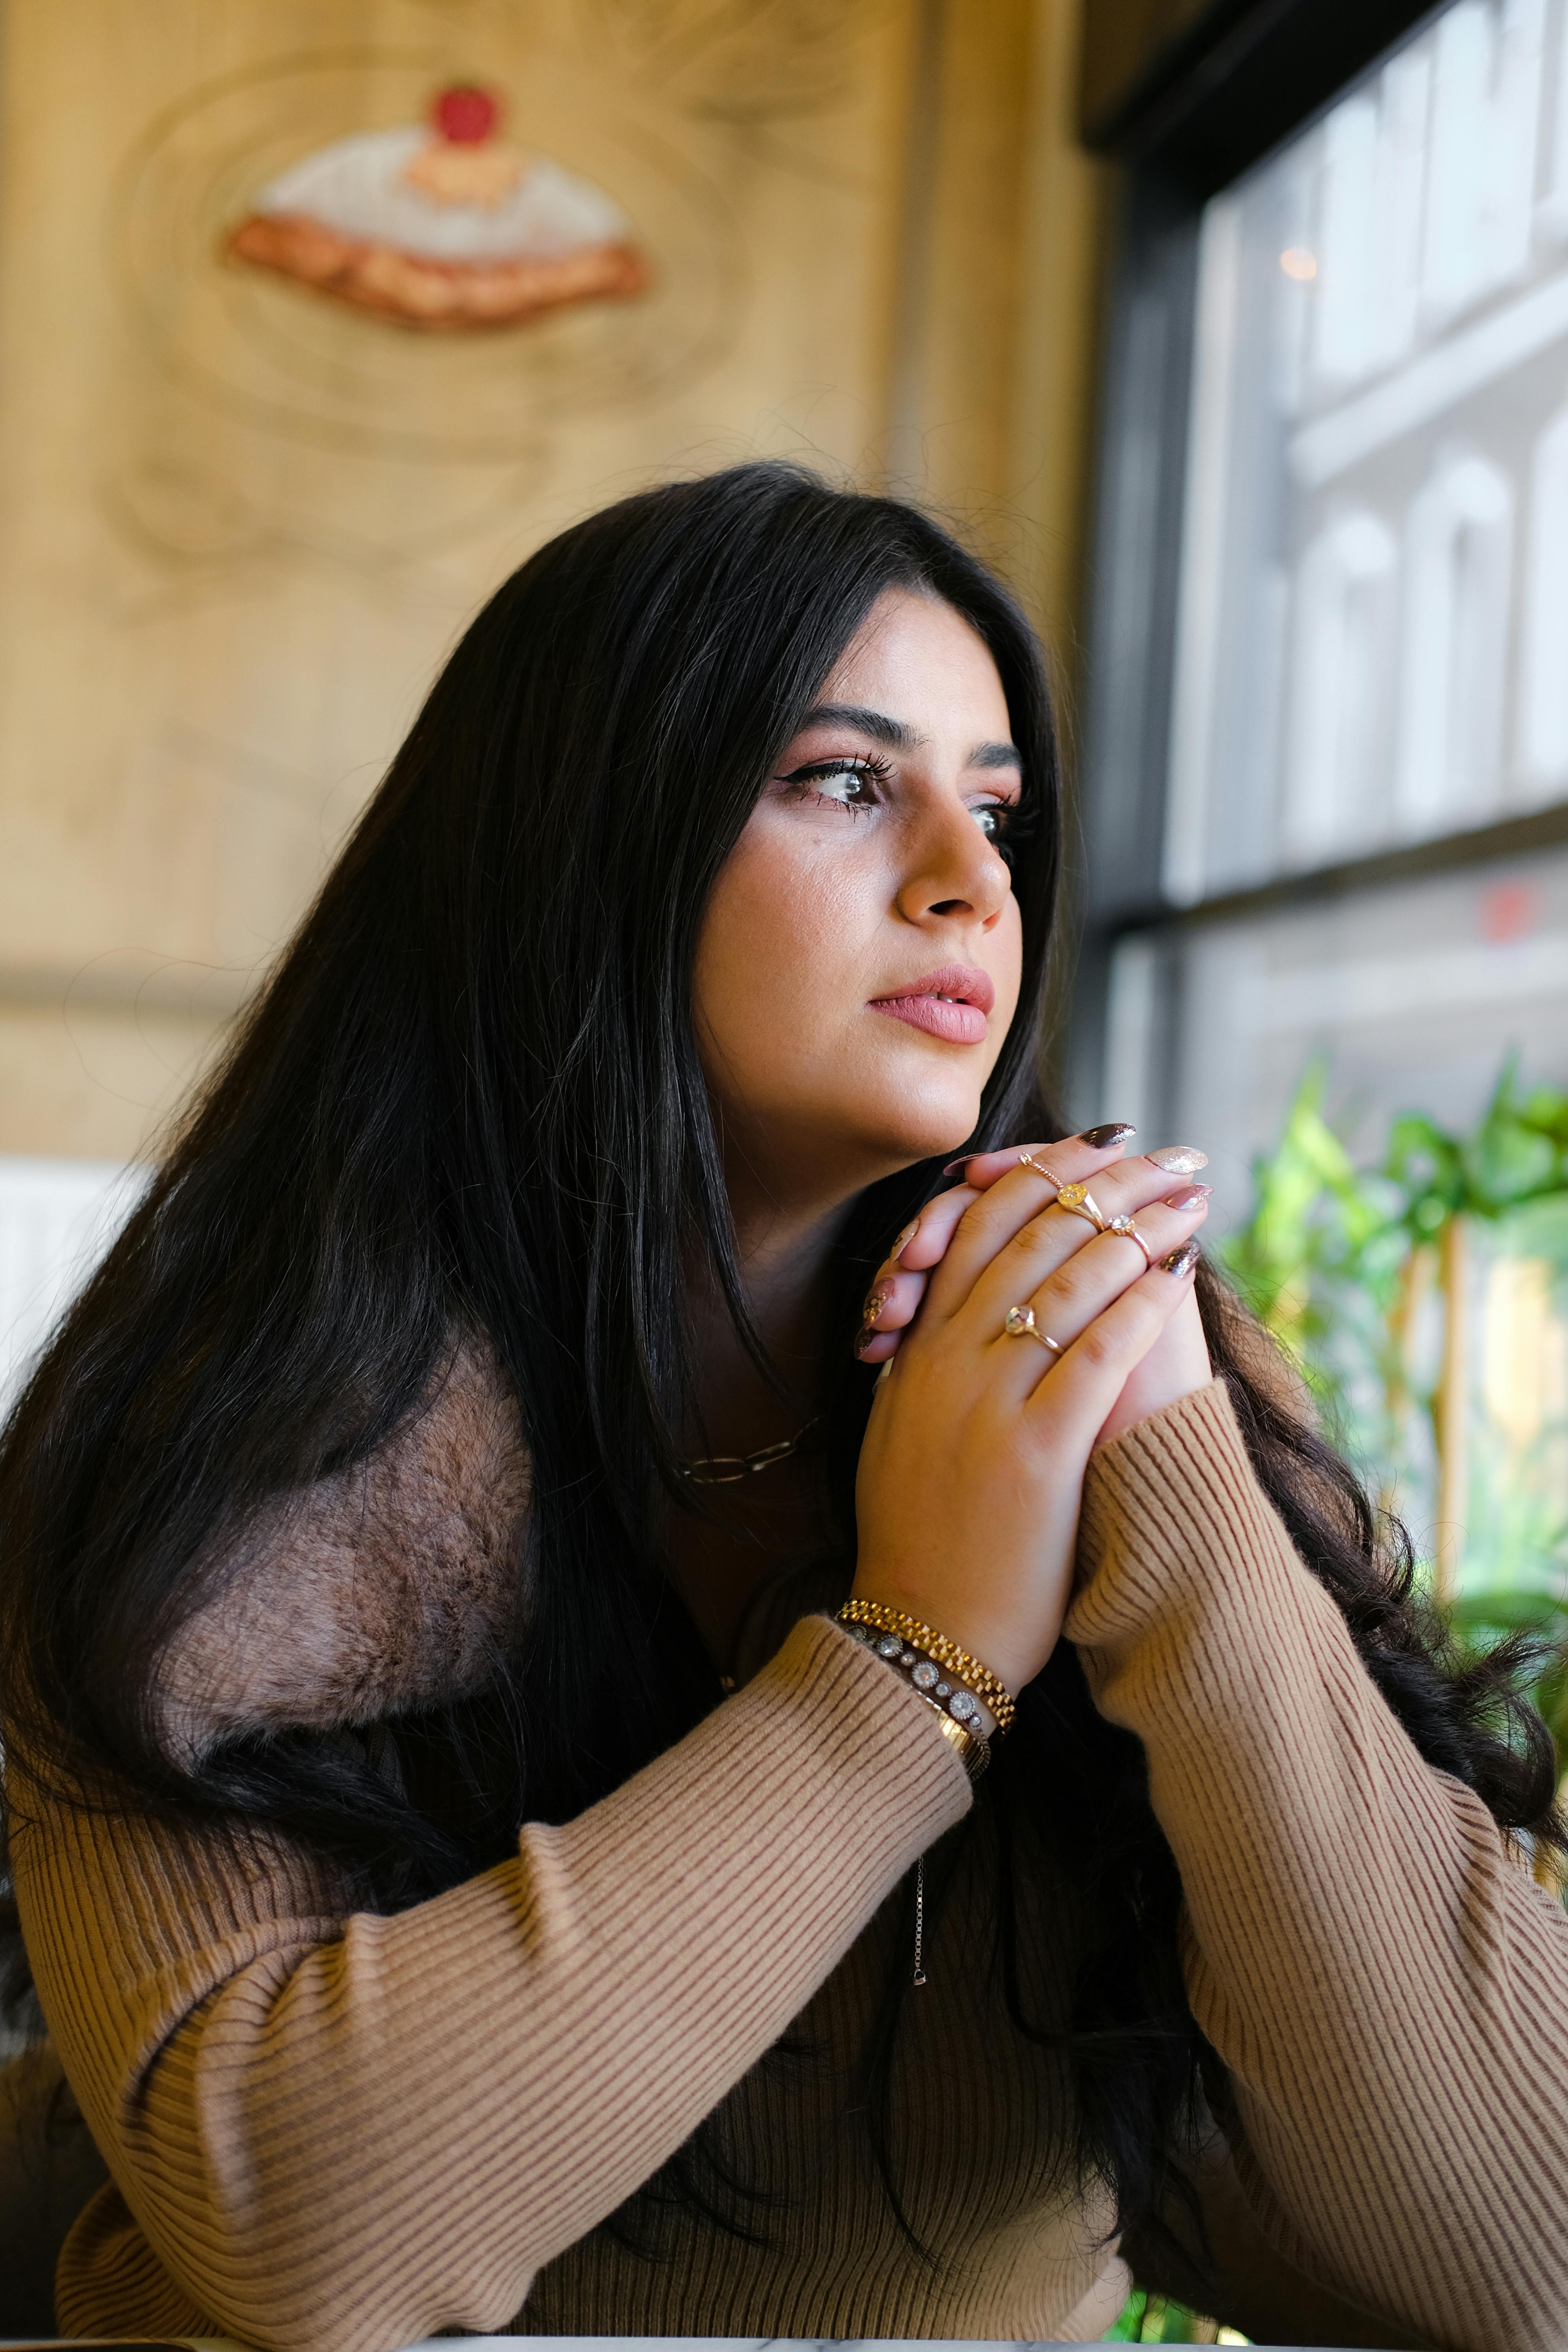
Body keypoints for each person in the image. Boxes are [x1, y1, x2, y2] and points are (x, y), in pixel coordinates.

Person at [1, 463, 1565, 2352]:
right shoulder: (206, 1431)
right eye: (843, 780)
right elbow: (301, 2233)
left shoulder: (1140, 1382)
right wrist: (913, 1661)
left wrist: (1163, 1441)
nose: (973, 879)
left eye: (999, 807)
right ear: (587, 839)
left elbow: (1526, 2258)